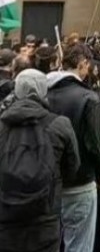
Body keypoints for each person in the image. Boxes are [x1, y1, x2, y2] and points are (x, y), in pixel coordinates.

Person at [0, 70, 80, 252]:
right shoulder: (60, 125)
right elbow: (72, 168)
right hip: (45, 216)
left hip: (6, 216)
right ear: (44, 91)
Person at [46, 44, 100, 252]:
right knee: (79, 245)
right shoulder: (90, 99)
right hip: (79, 183)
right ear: (83, 64)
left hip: (45, 182)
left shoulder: (41, 93)